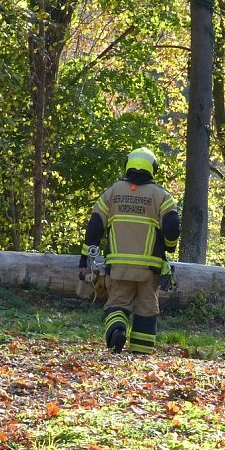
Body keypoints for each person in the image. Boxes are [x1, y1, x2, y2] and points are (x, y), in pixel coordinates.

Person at [79, 147, 180, 354]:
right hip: (149, 269)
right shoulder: (161, 196)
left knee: (117, 304)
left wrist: (85, 261)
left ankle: (117, 330)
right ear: (152, 169)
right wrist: (169, 247)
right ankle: (140, 355)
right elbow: (172, 227)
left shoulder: (112, 192)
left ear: (127, 165)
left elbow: (95, 226)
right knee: (147, 309)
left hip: (118, 268)